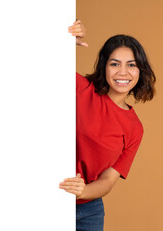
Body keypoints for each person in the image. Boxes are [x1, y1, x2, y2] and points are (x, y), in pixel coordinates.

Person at [59, 20, 156, 230]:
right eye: (114, 64)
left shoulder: (134, 128)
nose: (123, 72)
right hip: (52, 197)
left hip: (89, 211)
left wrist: (82, 191)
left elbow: (108, 180)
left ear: (140, 71)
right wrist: (65, 41)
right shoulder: (81, 90)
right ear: (104, 67)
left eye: (131, 65)